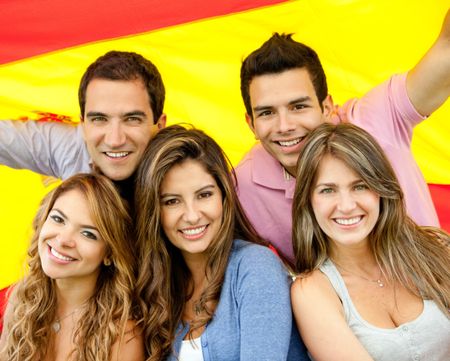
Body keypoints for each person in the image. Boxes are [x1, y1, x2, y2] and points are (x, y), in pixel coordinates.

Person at [236, 9, 450, 264]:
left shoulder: (375, 121)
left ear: (327, 107)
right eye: (267, 112)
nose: (284, 126)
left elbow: (446, 50)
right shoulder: (243, 185)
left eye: (299, 106)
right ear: (251, 123)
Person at [134, 125, 308, 361]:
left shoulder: (255, 267)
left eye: (204, 195)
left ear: (224, 196)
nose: (192, 215)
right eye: (172, 201)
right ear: (154, 211)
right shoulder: (159, 290)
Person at [290, 123, 450, 361]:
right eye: (327, 190)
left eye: (360, 186)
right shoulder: (312, 292)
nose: (346, 206)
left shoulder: (433, 247)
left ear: (381, 190)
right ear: (308, 201)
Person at [0, 173, 144, 360]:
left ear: (109, 254)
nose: (63, 240)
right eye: (58, 219)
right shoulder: (19, 301)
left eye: (87, 234)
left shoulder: (123, 335)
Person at [0, 50, 166, 183]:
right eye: (99, 119)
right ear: (83, 125)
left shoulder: (183, 173)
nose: (115, 140)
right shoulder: (69, 147)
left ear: (160, 125)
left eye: (132, 119)